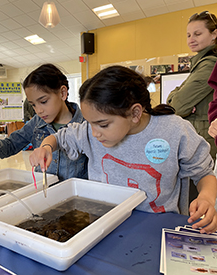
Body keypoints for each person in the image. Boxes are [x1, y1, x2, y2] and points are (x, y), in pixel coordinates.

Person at [29, 65, 217, 234]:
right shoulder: (89, 131)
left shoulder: (174, 130)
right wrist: (46, 146)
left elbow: (203, 173)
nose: (94, 133)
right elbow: (60, 137)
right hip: (105, 225)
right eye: (90, 123)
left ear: (135, 113)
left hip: (159, 228)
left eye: (103, 124)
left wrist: (207, 198)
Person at [0, 63, 88, 181]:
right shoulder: (36, 123)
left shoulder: (86, 125)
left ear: (63, 93)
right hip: (44, 194)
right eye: (33, 105)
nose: (38, 110)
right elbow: (10, 146)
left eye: (43, 101)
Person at [167, 11, 217, 161]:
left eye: (197, 34)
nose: (191, 39)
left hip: (202, 139)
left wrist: (179, 101)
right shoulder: (201, 63)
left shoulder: (210, 64)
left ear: (214, 34)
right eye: (188, 35)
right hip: (198, 137)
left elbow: (177, 105)